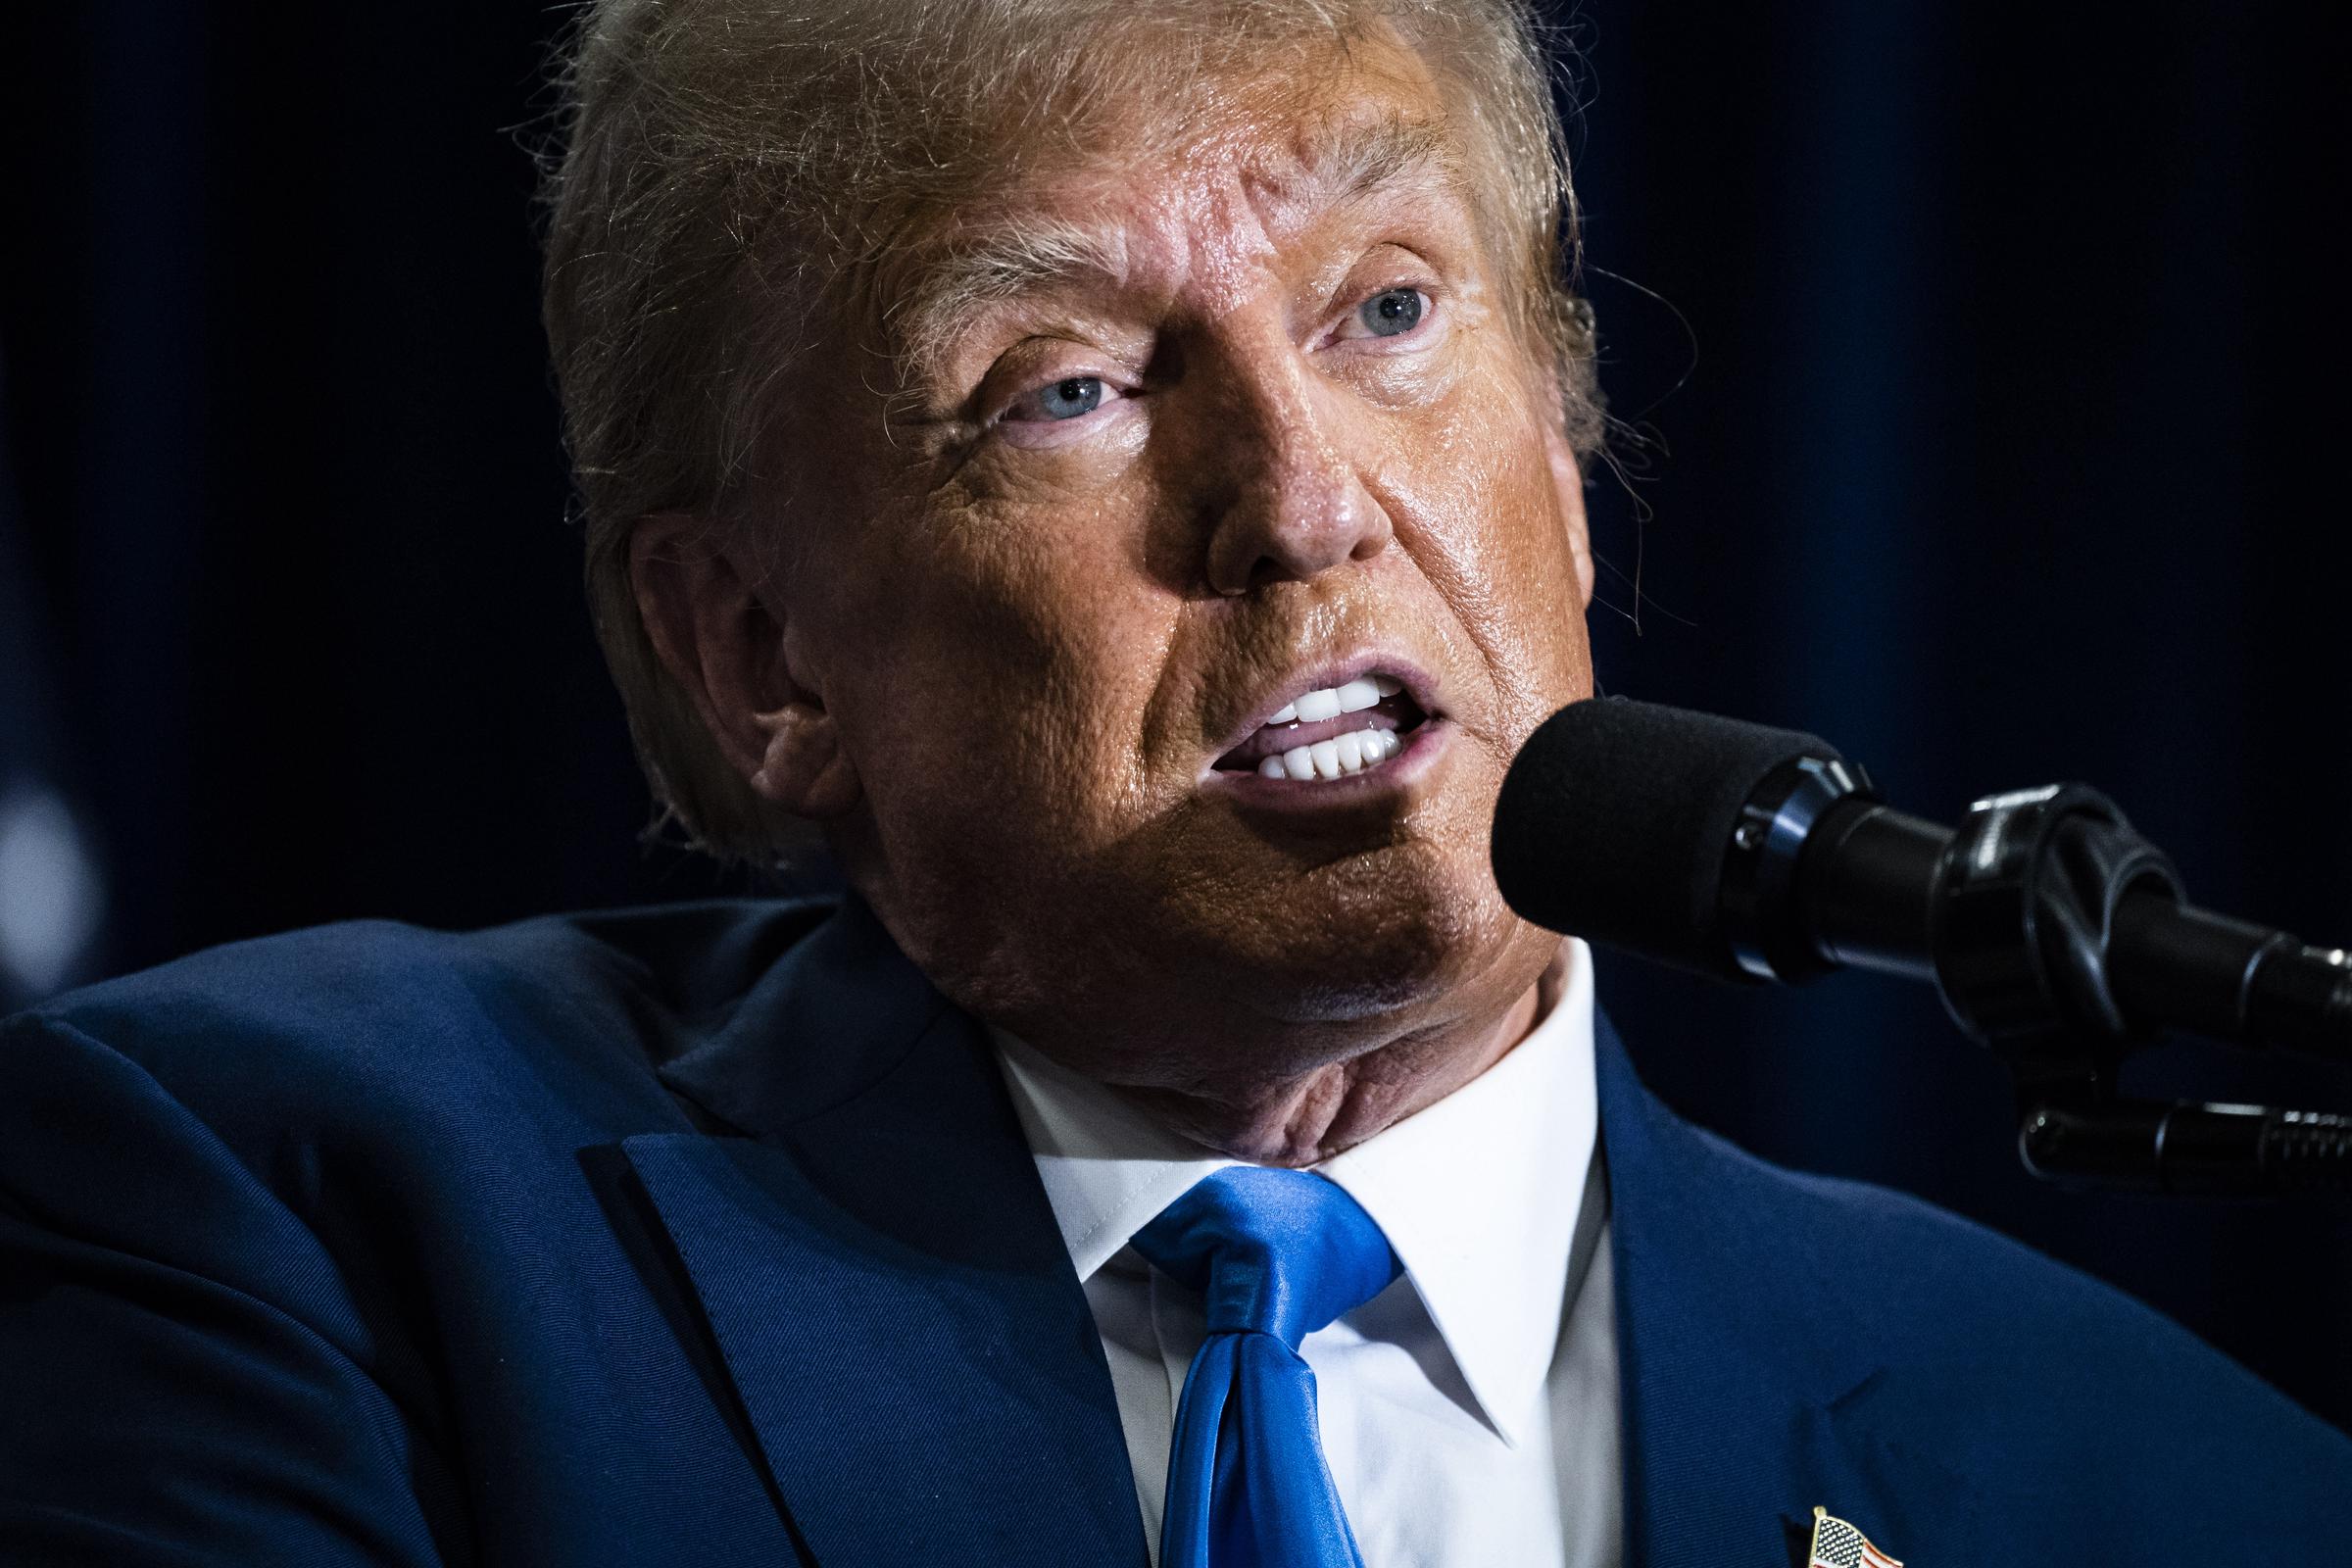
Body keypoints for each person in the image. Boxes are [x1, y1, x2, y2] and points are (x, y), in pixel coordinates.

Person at [2, 1, 2345, 1563]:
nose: (1304, 501)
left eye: (1390, 309)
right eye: (1072, 385)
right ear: (761, 653)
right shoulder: (285, 1225)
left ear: (1562, 439)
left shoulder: (2167, 1478)